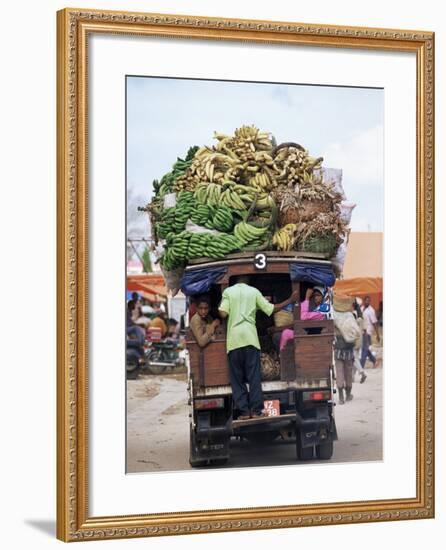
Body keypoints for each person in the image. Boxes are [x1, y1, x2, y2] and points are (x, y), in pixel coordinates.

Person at [218, 275, 299, 420]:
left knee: (237, 379)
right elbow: (272, 309)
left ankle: (243, 412)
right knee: (253, 376)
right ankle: (256, 411)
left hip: (234, 341)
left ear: (235, 281)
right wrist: (290, 300)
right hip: (251, 339)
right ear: (248, 281)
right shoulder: (254, 292)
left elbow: (223, 313)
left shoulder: (228, 292)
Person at [333, 294, 361, 404]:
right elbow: (357, 325)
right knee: (348, 372)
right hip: (348, 349)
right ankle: (348, 394)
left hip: (338, 349)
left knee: (339, 372)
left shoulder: (334, 315)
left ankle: (340, 397)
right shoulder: (350, 315)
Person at [278, 286, 325, 351]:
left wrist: (307, 298)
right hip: (310, 334)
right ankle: (283, 355)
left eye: (318, 295)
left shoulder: (323, 310)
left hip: (314, 337)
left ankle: (283, 356)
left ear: (324, 297)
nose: (315, 298)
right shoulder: (317, 308)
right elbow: (300, 313)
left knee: (286, 333)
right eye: (314, 296)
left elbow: (303, 317)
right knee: (286, 333)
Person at [360, 295, 380, 369]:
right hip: (361, 331)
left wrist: (377, 335)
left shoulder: (371, 311)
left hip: (368, 332)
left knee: (364, 349)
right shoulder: (361, 308)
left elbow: (375, 323)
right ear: (364, 301)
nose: (367, 302)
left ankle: (361, 366)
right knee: (365, 348)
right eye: (366, 300)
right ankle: (374, 361)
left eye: (368, 300)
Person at [352, 299, 367, 383]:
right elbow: (364, 329)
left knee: (354, 359)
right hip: (360, 340)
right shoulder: (360, 318)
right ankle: (352, 377)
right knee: (355, 358)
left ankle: (362, 372)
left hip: (354, 340)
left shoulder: (352, 317)